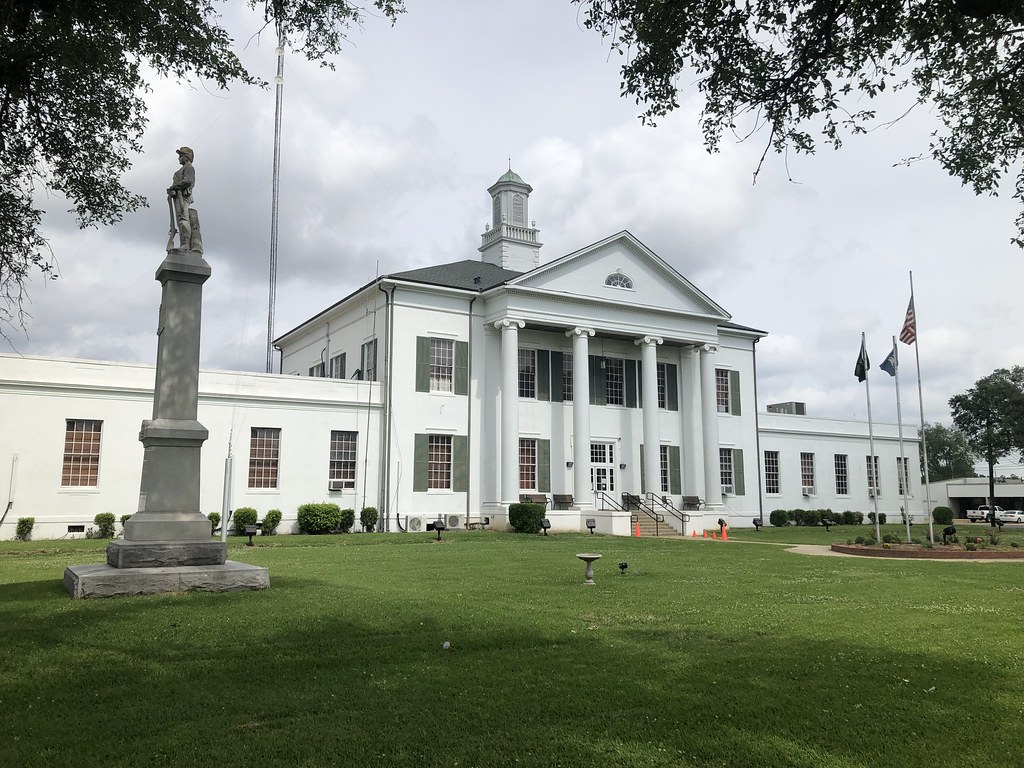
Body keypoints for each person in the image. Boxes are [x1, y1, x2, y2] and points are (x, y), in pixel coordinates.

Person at [167, 146, 201, 251]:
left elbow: (188, 181)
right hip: (178, 195)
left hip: (183, 196)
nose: (179, 158)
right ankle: (184, 243)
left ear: (187, 157)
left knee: (183, 219)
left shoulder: (189, 168)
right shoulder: (183, 169)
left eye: (181, 156)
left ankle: (185, 244)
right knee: (180, 219)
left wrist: (174, 187)